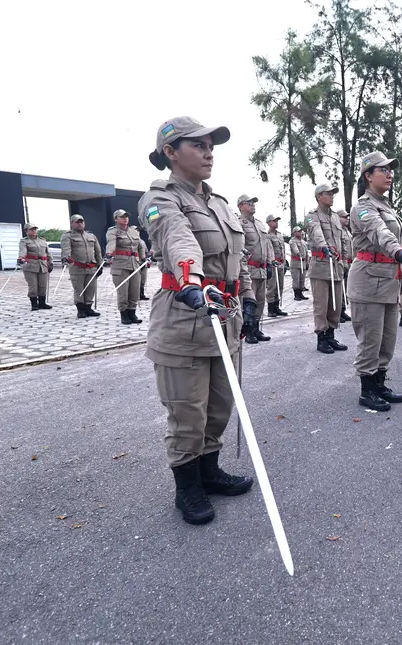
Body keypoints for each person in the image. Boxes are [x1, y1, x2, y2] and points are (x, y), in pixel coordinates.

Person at [139, 115, 257, 525]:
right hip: (183, 319)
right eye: (198, 145)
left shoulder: (221, 204)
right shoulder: (159, 199)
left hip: (223, 319)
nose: (209, 152)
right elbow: (177, 238)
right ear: (170, 153)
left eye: (211, 145)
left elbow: (235, 260)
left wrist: (249, 297)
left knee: (220, 406)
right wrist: (191, 279)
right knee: (187, 412)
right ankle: (187, 487)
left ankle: (210, 472)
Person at [348, 152, 402, 411]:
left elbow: (393, 233)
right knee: (370, 338)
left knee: (388, 338)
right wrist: (398, 251)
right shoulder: (362, 207)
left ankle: (380, 383)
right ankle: (367, 390)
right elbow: (380, 232)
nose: (389, 174)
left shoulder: (387, 206)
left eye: (390, 170)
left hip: (388, 280)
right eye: (383, 170)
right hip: (368, 280)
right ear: (367, 175)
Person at [306, 184, 347, 354]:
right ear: (318, 196)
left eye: (332, 194)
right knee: (321, 304)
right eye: (328, 194)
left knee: (335, 304)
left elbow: (342, 238)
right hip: (321, 266)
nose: (332, 196)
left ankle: (330, 335)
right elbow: (316, 232)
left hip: (335, 266)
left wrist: (344, 259)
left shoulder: (336, 217)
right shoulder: (312, 216)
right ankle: (321, 338)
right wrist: (323, 247)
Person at [237, 194, 272, 343]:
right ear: (240, 206)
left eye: (253, 202)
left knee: (260, 300)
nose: (253, 204)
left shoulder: (259, 224)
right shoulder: (238, 223)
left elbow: (267, 245)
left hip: (262, 269)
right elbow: (239, 247)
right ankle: (248, 330)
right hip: (249, 269)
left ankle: (256, 328)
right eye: (249, 202)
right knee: (248, 301)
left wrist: (269, 263)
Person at [106, 210, 146, 324]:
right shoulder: (113, 232)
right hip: (121, 266)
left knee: (135, 291)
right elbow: (111, 243)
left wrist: (143, 258)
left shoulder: (134, 231)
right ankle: (124, 314)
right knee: (123, 292)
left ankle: (132, 313)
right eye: (122, 217)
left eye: (127, 216)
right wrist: (109, 253)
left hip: (134, 264)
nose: (125, 219)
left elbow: (140, 246)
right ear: (116, 219)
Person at [60, 214, 102, 318]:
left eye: (81, 222)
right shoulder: (67, 236)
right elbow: (66, 249)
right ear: (72, 223)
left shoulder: (91, 236)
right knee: (79, 290)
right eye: (77, 222)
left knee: (91, 289)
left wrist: (100, 265)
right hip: (77, 268)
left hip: (91, 268)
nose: (80, 224)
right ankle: (81, 310)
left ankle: (88, 308)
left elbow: (98, 252)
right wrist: (66, 257)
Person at [18, 223, 53, 311]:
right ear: (26, 231)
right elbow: (23, 251)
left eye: (35, 229)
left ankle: (42, 303)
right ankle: (34, 304)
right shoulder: (24, 241)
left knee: (43, 285)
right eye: (31, 229)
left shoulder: (42, 240)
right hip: (30, 266)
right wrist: (21, 258)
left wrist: (50, 262)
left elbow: (48, 252)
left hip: (43, 265)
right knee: (33, 286)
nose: (34, 231)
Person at [265, 214, 288, 318]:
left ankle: (277, 307)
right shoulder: (267, 236)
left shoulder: (279, 235)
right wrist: (271, 261)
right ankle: (271, 309)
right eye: (274, 221)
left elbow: (283, 248)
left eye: (277, 221)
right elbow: (268, 250)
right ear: (269, 223)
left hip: (280, 264)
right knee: (272, 286)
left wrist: (283, 263)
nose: (276, 223)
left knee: (280, 286)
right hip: (273, 264)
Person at [337, 210, 353, 323]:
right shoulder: (337, 231)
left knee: (346, 288)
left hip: (350, 262)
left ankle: (343, 310)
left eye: (347, 217)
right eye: (344, 217)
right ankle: (338, 312)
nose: (347, 219)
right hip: (342, 262)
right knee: (340, 288)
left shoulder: (347, 231)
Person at [289, 226, 309, 301]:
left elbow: (306, 252)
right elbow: (295, 249)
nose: (300, 232)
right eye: (298, 231)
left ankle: (300, 293)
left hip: (303, 262)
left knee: (302, 279)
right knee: (296, 279)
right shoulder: (292, 241)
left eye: (300, 231)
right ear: (294, 233)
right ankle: (296, 294)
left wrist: (307, 261)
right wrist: (298, 253)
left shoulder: (303, 241)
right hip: (296, 263)